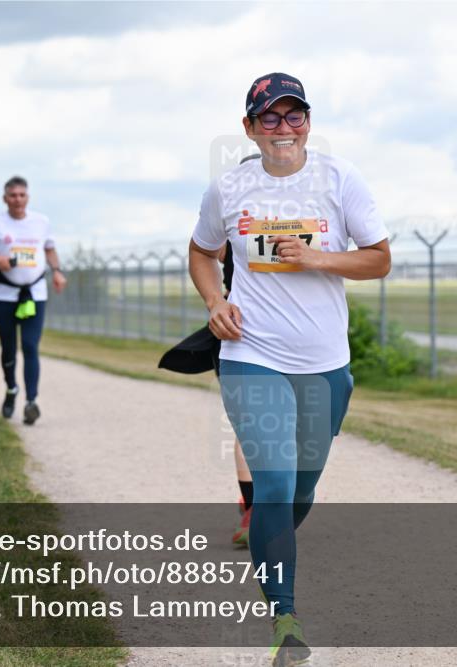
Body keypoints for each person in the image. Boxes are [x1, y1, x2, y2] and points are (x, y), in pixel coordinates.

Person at [189, 73, 390, 664]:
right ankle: (285, 616)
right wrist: (215, 302)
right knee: (274, 483)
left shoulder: (340, 178)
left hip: (325, 363)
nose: (284, 128)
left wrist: (318, 258)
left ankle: (268, 543)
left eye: (293, 115)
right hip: (251, 355)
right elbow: (202, 252)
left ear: (308, 122)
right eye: (270, 118)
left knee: (300, 491)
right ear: (249, 128)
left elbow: (379, 259)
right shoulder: (228, 188)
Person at [159, 156, 261, 549]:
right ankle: (253, 508)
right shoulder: (234, 216)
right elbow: (209, 250)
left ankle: (271, 500)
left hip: (297, 338)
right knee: (250, 421)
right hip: (239, 329)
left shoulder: (296, 215)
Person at [0, 176, 66, 425]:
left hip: (34, 293)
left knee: (30, 346)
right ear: (5, 198)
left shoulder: (41, 222)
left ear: (28, 197)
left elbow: (49, 248)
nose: (17, 200)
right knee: (9, 348)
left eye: (22, 195)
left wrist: (57, 271)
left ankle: (31, 402)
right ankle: (11, 388)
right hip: (4, 294)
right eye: (12, 195)